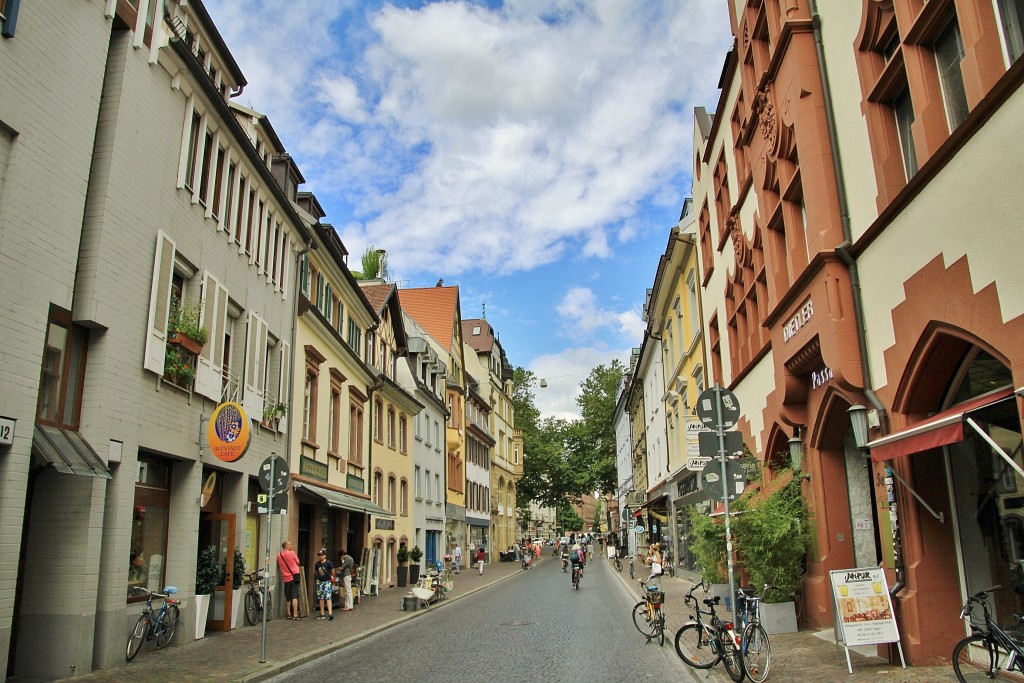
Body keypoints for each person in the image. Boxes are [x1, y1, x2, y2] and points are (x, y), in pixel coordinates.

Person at [276, 540, 301, 620]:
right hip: (294, 577)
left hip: (286, 578)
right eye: (290, 545)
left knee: (288, 596)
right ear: (286, 546)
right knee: (294, 595)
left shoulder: (279, 555)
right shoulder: (292, 553)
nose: (291, 546)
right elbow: (298, 562)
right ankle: (295, 614)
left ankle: (288, 613)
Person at [313, 549, 334, 620]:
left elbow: (332, 571)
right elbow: (316, 572)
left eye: (321, 555)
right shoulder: (317, 564)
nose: (320, 557)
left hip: (326, 581)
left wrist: (332, 578)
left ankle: (330, 613)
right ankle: (322, 613)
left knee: (328, 597)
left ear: (325, 556)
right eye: (319, 555)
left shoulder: (329, 563)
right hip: (320, 582)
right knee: (321, 597)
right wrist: (318, 578)